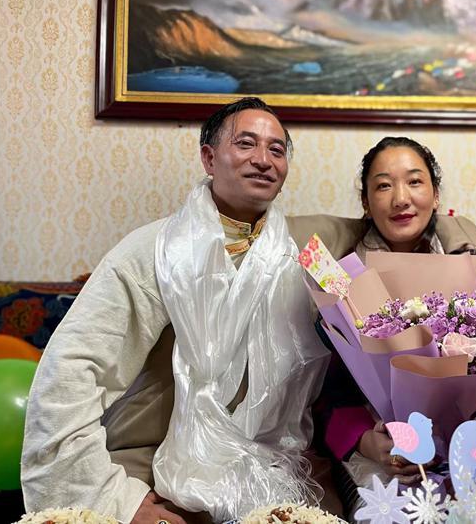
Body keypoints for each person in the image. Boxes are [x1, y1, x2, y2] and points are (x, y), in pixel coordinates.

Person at [20, 97, 337, 524]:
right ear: (209, 158)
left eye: (276, 149)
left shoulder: (306, 253)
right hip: (154, 463)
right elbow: (69, 372)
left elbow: (360, 307)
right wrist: (115, 498)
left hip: (275, 464)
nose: (263, 160)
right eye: (246, 144)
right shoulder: (153, 251)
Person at [312, 136, 476, 519]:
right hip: (375, 450)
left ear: (435, 194)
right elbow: (320, 388)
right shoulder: (337, 274)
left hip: (463, 442)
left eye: (415, 182)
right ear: (366, 203)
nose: (401, 198)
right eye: (384, 186)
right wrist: (366, 441)